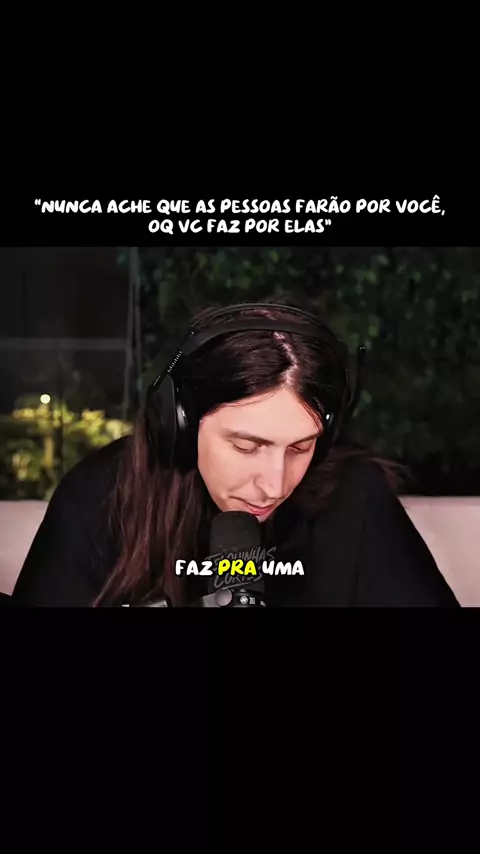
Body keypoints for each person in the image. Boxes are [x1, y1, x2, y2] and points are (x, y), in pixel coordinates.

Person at [11, 295, 460, 607]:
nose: (274, 485)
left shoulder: (355, 496)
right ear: (181, 425)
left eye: (301, 447)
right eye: (247, 446)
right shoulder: (96, 498)